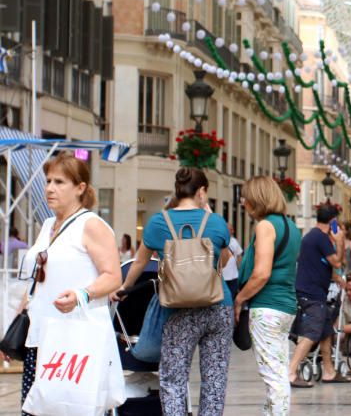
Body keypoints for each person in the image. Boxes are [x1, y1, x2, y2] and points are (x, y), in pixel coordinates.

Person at [118, 167, 231, 415]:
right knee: (214, 380)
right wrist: (209, 214)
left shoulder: (158, 222)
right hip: (217, 306)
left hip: (178, 308)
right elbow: (225, 259)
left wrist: (125, 288)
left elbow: (139, 262)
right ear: (202, 192)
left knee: (174, 380)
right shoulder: (215, 222)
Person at [15, 153, 121, 415]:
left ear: (80, 188)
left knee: (74, 409)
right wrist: (20, 319)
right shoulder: (49, 225)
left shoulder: (91, 225)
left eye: (60, 182)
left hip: (75, 344)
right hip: (40, 337)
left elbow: (113, 276)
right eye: (48, 180)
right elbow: (39, 278)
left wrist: (81, 294)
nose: (50, 188)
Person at [236, 176, 302, 416]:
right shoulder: (291, 227)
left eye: (245, 198)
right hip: (285, 306)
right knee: (279, 370)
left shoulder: (265, 226)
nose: (243, 203)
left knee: (273, 376)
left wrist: (240, 298)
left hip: (267, 306)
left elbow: (262, 273)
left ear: (256, 199)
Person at [288, 204, 345, 387]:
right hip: (312, 293)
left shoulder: (312, 236)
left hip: (312, 291)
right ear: (333, 221)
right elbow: (336, 262)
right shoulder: (321, 238)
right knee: (312, 333)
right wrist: (340, 240)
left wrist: (335, 278)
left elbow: (315, 263)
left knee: (326, 331)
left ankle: (329, 371)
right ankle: (290, 372)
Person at [222, 222, 243, 300]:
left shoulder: (234, 241)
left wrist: (239, 269)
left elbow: (239, 255)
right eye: (230, 229)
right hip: (223, 276)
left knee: (232, 296)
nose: (233, 231)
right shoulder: (220, 240)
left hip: (234, 276)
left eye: (232, 229)